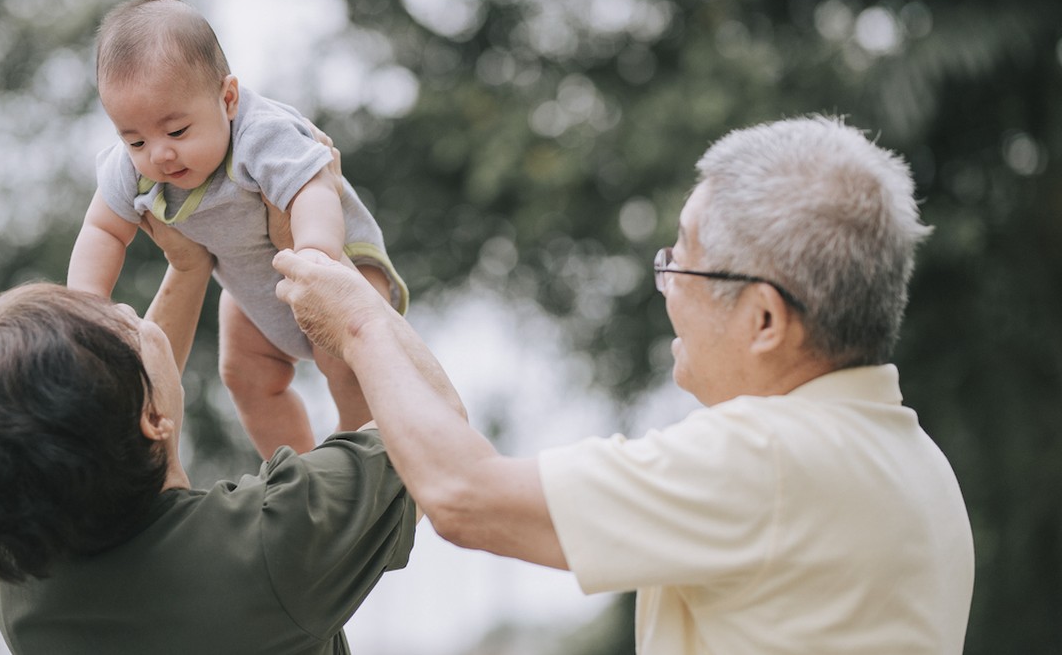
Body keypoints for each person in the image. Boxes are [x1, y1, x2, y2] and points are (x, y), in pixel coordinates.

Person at [274, 116, 975, 654]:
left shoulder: (767, 459)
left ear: (765, 317)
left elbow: (466, 497)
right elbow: (463, 470)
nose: (666, 286)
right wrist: (370, 315)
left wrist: (359, 325)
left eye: (683, 264)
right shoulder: (917, 464)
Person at [0, 216, 422, 654]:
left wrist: (189, 267)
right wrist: (351, 308)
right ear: (150, 419)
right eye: (116, 324)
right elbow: (431, 432)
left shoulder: (19, 576)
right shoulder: (271, 540)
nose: (126, 310)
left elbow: (118, 406)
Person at [66, 0, 408, 459]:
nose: (160, 154)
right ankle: (300, 469)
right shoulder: (131, 167)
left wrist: (314, 254)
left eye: (178, 132)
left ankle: (361, 451)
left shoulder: (260, 134)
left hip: (335, 263)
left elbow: (314, 187)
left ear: (227, 98)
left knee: (348, 362)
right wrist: (86, 304)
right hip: (249, 287)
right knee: (244, 376)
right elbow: (103, 231)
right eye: (136, 139)